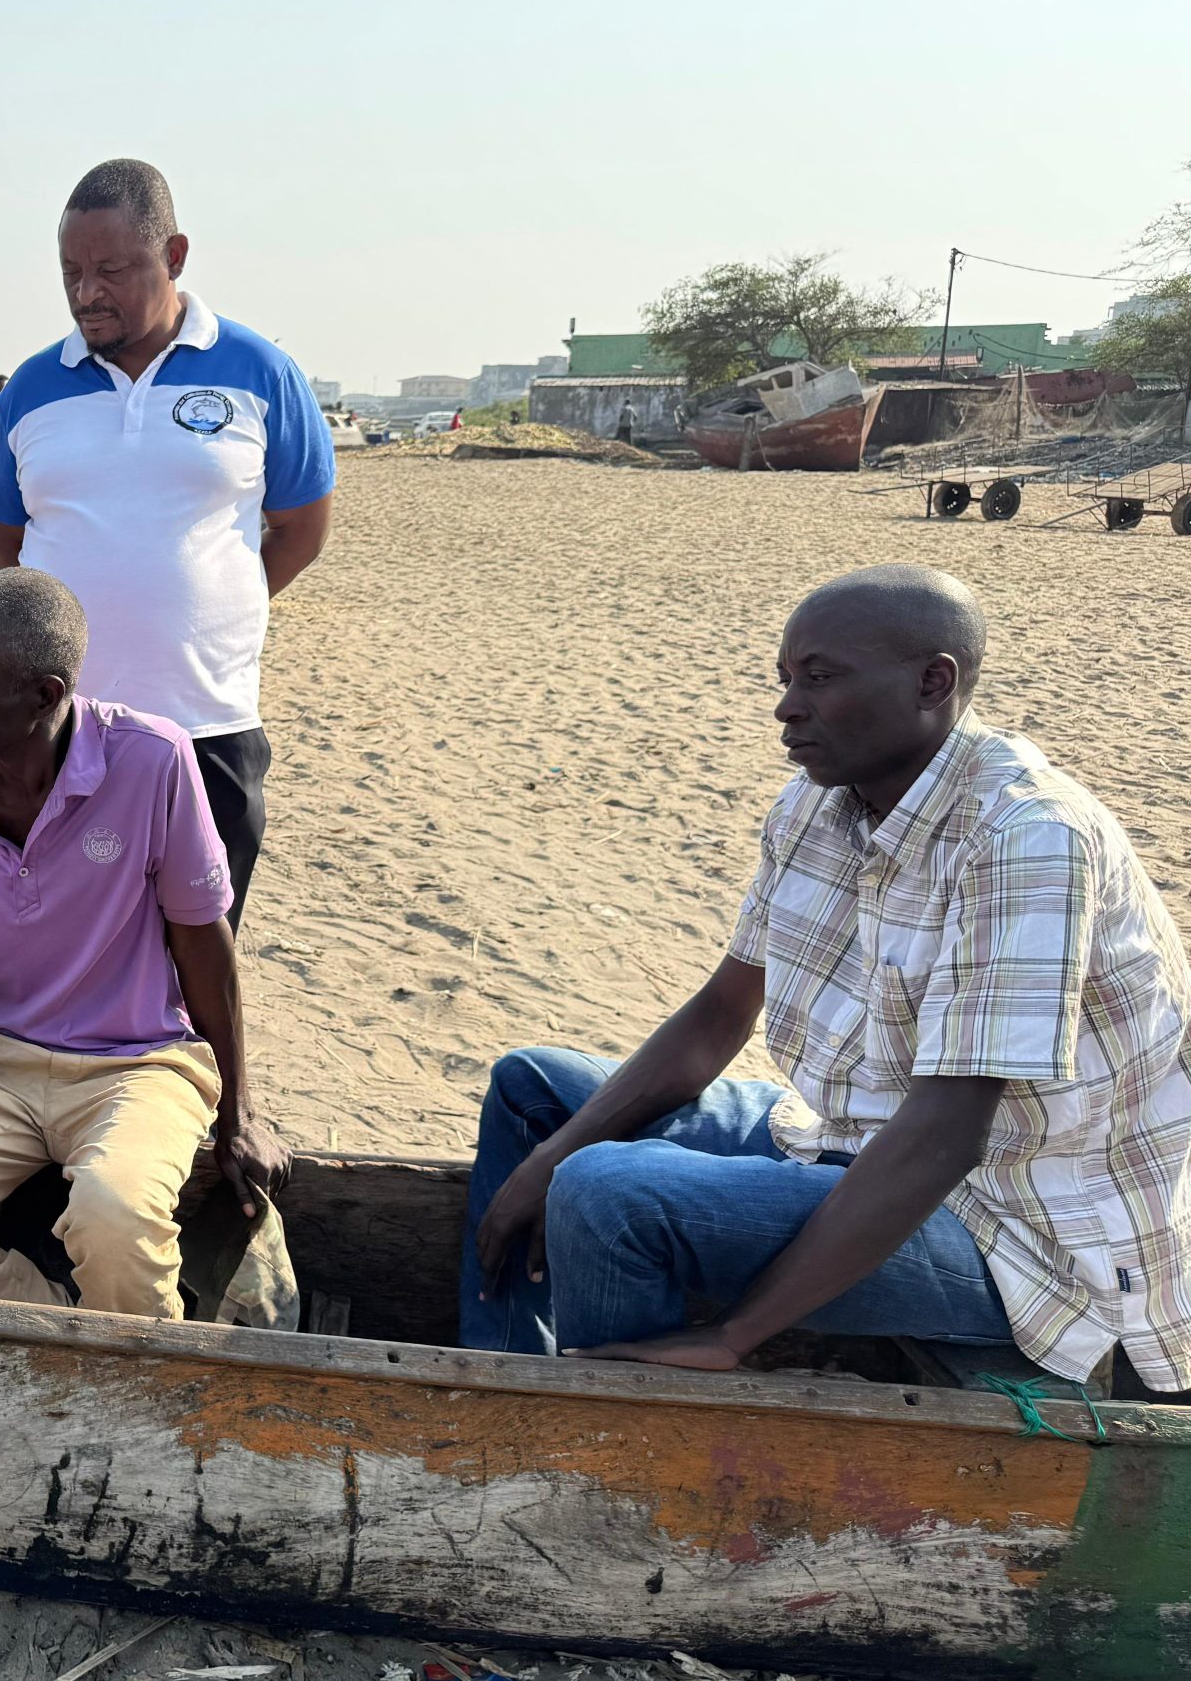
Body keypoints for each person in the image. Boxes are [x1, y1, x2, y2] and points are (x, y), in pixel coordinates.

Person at [464, 566, 1191, 1386]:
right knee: (534, 1092)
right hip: (852, 1139)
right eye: (784, 679)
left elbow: (947, 1135)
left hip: (1021, 1233)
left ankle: (610, 1463)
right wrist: (545, 1158)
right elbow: (719, 1015)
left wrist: (734, 1335)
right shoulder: (818, 803)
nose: (786, 707)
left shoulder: (1027, 837)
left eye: (820, 678)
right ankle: (502, 1392)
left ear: (932, 682)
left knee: (605, 1191)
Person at [0, 570, 288, 1319]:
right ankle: (49, 1324)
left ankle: (142, 1371)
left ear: (42, 695)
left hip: (138, 1062)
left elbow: (206, 951)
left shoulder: (153, 760)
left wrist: (237, 1113)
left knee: (117, 1219)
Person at [0, 159, 335, 929]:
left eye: (110, 269)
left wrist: (214, 607)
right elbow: (4, 533)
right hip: (59, 728)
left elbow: (301, 530)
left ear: (173, 256)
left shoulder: (262, 373)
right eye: (70, 270)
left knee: (198, 952)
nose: (85, 293)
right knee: (63, 942)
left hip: (207, 723)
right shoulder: (33, 389)